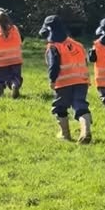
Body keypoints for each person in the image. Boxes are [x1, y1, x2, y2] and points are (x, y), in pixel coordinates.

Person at [39, 15, 92, 143]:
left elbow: (54, 66)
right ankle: (85, 131)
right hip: (82, 81)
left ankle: (65, 134)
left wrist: (52, 80)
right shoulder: (77, 44)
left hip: (64, 82)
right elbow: (85, 62)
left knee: (60, 107)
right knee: (80, 105)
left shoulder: (53, 47)